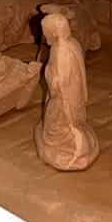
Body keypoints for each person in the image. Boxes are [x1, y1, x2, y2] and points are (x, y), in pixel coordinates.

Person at [34, 12, 100, 170]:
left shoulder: (60, 51)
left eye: (46, 32)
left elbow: (58, 84)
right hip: (75, 95)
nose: (45, 35)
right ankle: (79, 142)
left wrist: (47, 71)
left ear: (54, 31)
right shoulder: (72, 43)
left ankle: (75, 148)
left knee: (55, 126)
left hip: (63, 99)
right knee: (73, 121)